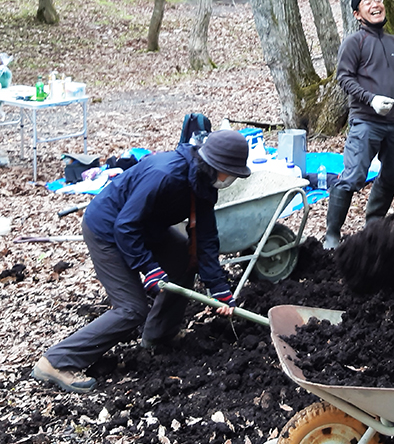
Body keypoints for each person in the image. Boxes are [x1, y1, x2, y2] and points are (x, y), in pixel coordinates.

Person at [31, 130, 251, 393]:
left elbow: (204, 237)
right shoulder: (166, 175)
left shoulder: (203, 183)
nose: (229, 179)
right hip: (108, 230)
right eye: (228, 172)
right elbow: (125, 226)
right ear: (211, 164)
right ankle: (57, 361)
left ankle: (160, 334)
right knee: (132, 308)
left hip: (145, 227)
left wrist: (220, 289)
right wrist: (148, 268)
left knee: (184, 257)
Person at [324, 0, 394, 250]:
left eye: (378, 0)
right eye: (368, 3)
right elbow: (343, 77)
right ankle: (332, 234)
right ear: (357, 14)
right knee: (354, 175)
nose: (375, 4)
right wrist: (371, 99)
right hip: (366, 120)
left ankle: (373, 224)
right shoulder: (354, 42)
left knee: (392, 174)